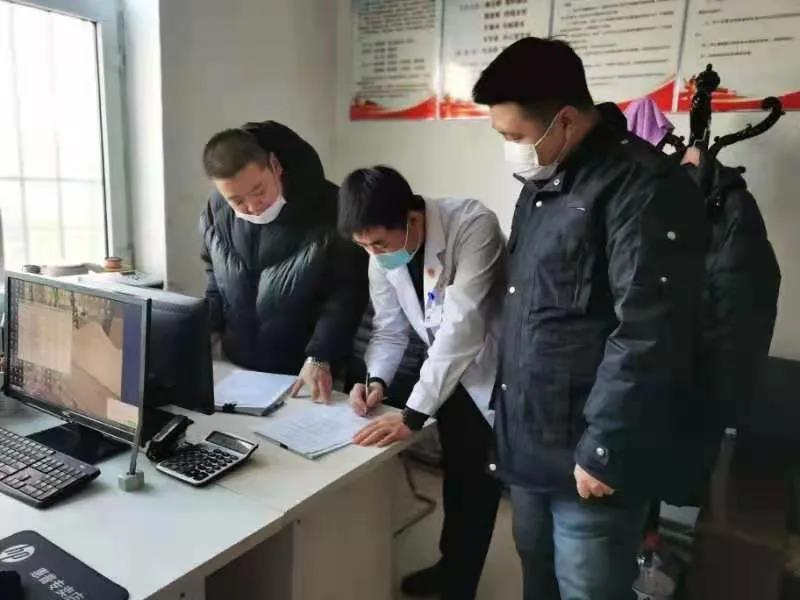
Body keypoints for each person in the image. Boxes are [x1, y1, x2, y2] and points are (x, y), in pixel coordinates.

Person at [472, 38, 707, 600]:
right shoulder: (544, 182)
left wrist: (605, 445)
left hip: (591, 452)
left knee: (588, 585)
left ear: (566, 120)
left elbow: (649, 330)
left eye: (515, 137)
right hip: (531, 439)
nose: (510, 149)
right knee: (536, 573)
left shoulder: (643, 186)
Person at [337, 166, 505, 600]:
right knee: (456, 477)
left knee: (476, 483)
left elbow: (462, 329)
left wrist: (412, 415)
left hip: (492, 372)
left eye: (379, 244)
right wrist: (377, 379)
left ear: (412, 219)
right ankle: (450, 569)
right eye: (364, 246)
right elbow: (389, 329)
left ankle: (460, 585)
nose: (374, 254)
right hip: (444, 374)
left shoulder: (472, 226)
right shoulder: (381, 251)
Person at [200, 122, 368, 400]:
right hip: (239, 368)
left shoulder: (332, 207)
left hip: (308, 372)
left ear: (275, 166)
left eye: (258, 191)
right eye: (237, 201)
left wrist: (320, 356)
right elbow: (215, 276)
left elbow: (348, 293)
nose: (252, 207)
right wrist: (206, 331)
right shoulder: (216, 210)